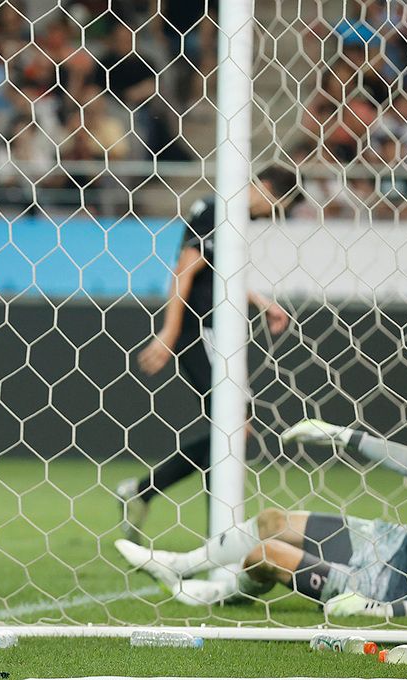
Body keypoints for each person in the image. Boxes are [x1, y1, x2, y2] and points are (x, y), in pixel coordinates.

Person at [115, 369, 407, 619]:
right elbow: (406, 460)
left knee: (264, 554)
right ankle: (180, 565)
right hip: (388, 546)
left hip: (389, 587)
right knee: (271, 521)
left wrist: (387, 609)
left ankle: (221, 594)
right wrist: (339, 434)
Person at [117, 166, 302, 542]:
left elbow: (222, 272)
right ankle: (216, 534)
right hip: (200, 331)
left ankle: (143, 493)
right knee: (234, 428)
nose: (272, 214)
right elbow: (185, 271)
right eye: (277, 205)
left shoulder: (230, 215)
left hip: (220, 333)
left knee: (231, 431)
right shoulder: (217, 212)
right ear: (267, 190)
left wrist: (262, 302)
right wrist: (169, 334)